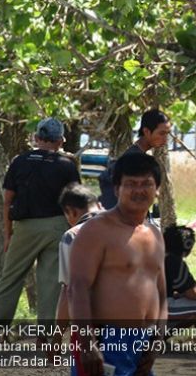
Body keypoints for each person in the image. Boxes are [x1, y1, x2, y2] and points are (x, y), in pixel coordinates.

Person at [69, 152, 167, 376]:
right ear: (116, 189)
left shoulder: (155, 234)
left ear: (157, 189)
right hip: (108, 342)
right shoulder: (96, 230)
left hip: (144, 343)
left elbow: (161, 293)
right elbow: (77, 288)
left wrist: (157, 339)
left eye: (146, 184)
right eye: (130, 184)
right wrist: (87, 343)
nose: (139, 190)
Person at [0, 117, 80, 329]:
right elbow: (75, 202)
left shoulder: (20, 161)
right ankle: (46, 335)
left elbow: (7, 200)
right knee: (51, 283)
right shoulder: (66, 166)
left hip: (25, 227)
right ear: (60, 141)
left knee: (10, 278)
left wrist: (8, 234)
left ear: (37, 138)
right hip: (57, 226)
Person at [99, 109, 172, 209]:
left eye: (167, 134)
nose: (165, 139)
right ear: (146, 131)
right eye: (161, 133)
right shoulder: (134, 160)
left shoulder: (136, 154)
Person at [56, 184, 102, 325]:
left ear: (71, 211)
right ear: (99, 205)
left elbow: (68, 290)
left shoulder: (72, 236)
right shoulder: (128, 227)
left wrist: (57, 338)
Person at [164, 224, 196, 330]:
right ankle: (161, 336)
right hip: (152, 308)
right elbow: (194, 294)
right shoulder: (174, 261)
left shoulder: (155, 254)